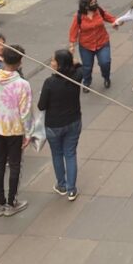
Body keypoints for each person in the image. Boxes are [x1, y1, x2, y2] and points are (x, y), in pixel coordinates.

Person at [0, 44, 32, 216]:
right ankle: (11, 202)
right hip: (14, 129)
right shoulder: (22, 85)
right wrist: (27, 133)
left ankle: (0, 204)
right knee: (15, 166)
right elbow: (26, 111)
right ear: (20, 62)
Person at [38, 49, 84, 201]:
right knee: (70, 154)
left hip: (54, 125)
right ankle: (72, 189)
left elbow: (41, 105)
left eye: (53, 61)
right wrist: (75, 63)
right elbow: (81, 67)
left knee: (57, 154)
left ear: (59, 64)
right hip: (73, 121)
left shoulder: (49, 83)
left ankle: (62, 185)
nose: (51, 63)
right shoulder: (77, 76)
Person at [68, 0, 117, 91]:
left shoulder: (99, 11)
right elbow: (73, 30)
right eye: (92, 3)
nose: (95, 4)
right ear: (85, 5)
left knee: (105, 62)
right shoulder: (79, 16)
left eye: (95, 2)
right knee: (87, 66)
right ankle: (87, 82)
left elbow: (110, 18)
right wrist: (72, 44)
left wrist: (116, 22)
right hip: (86, 45)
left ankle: (106, 77)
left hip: (102, 42)